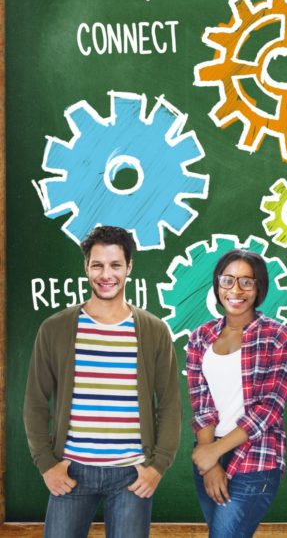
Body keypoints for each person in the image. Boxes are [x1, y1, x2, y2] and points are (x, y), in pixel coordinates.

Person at [24, 225, 181, 538]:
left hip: (132, 476)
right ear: (86, 267)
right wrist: (46, 464)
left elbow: (169, 405)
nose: (105, 274)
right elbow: (35, 402)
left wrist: (157, 467)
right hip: (70, 472)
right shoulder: (55, 329)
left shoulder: (154, 330)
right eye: (97, 265)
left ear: (129, 268)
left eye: (115, 265)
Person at [186, 249, 287, 537]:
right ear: (217, 284)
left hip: (256, 458)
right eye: (228, 281)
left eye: (247, 282)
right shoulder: (200, 337)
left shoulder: (277, 336)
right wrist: (209, 462)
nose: (236, 290)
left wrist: (214, 452)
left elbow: (270, 408)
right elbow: (201, 405)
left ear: (259, 287)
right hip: (209, 455)